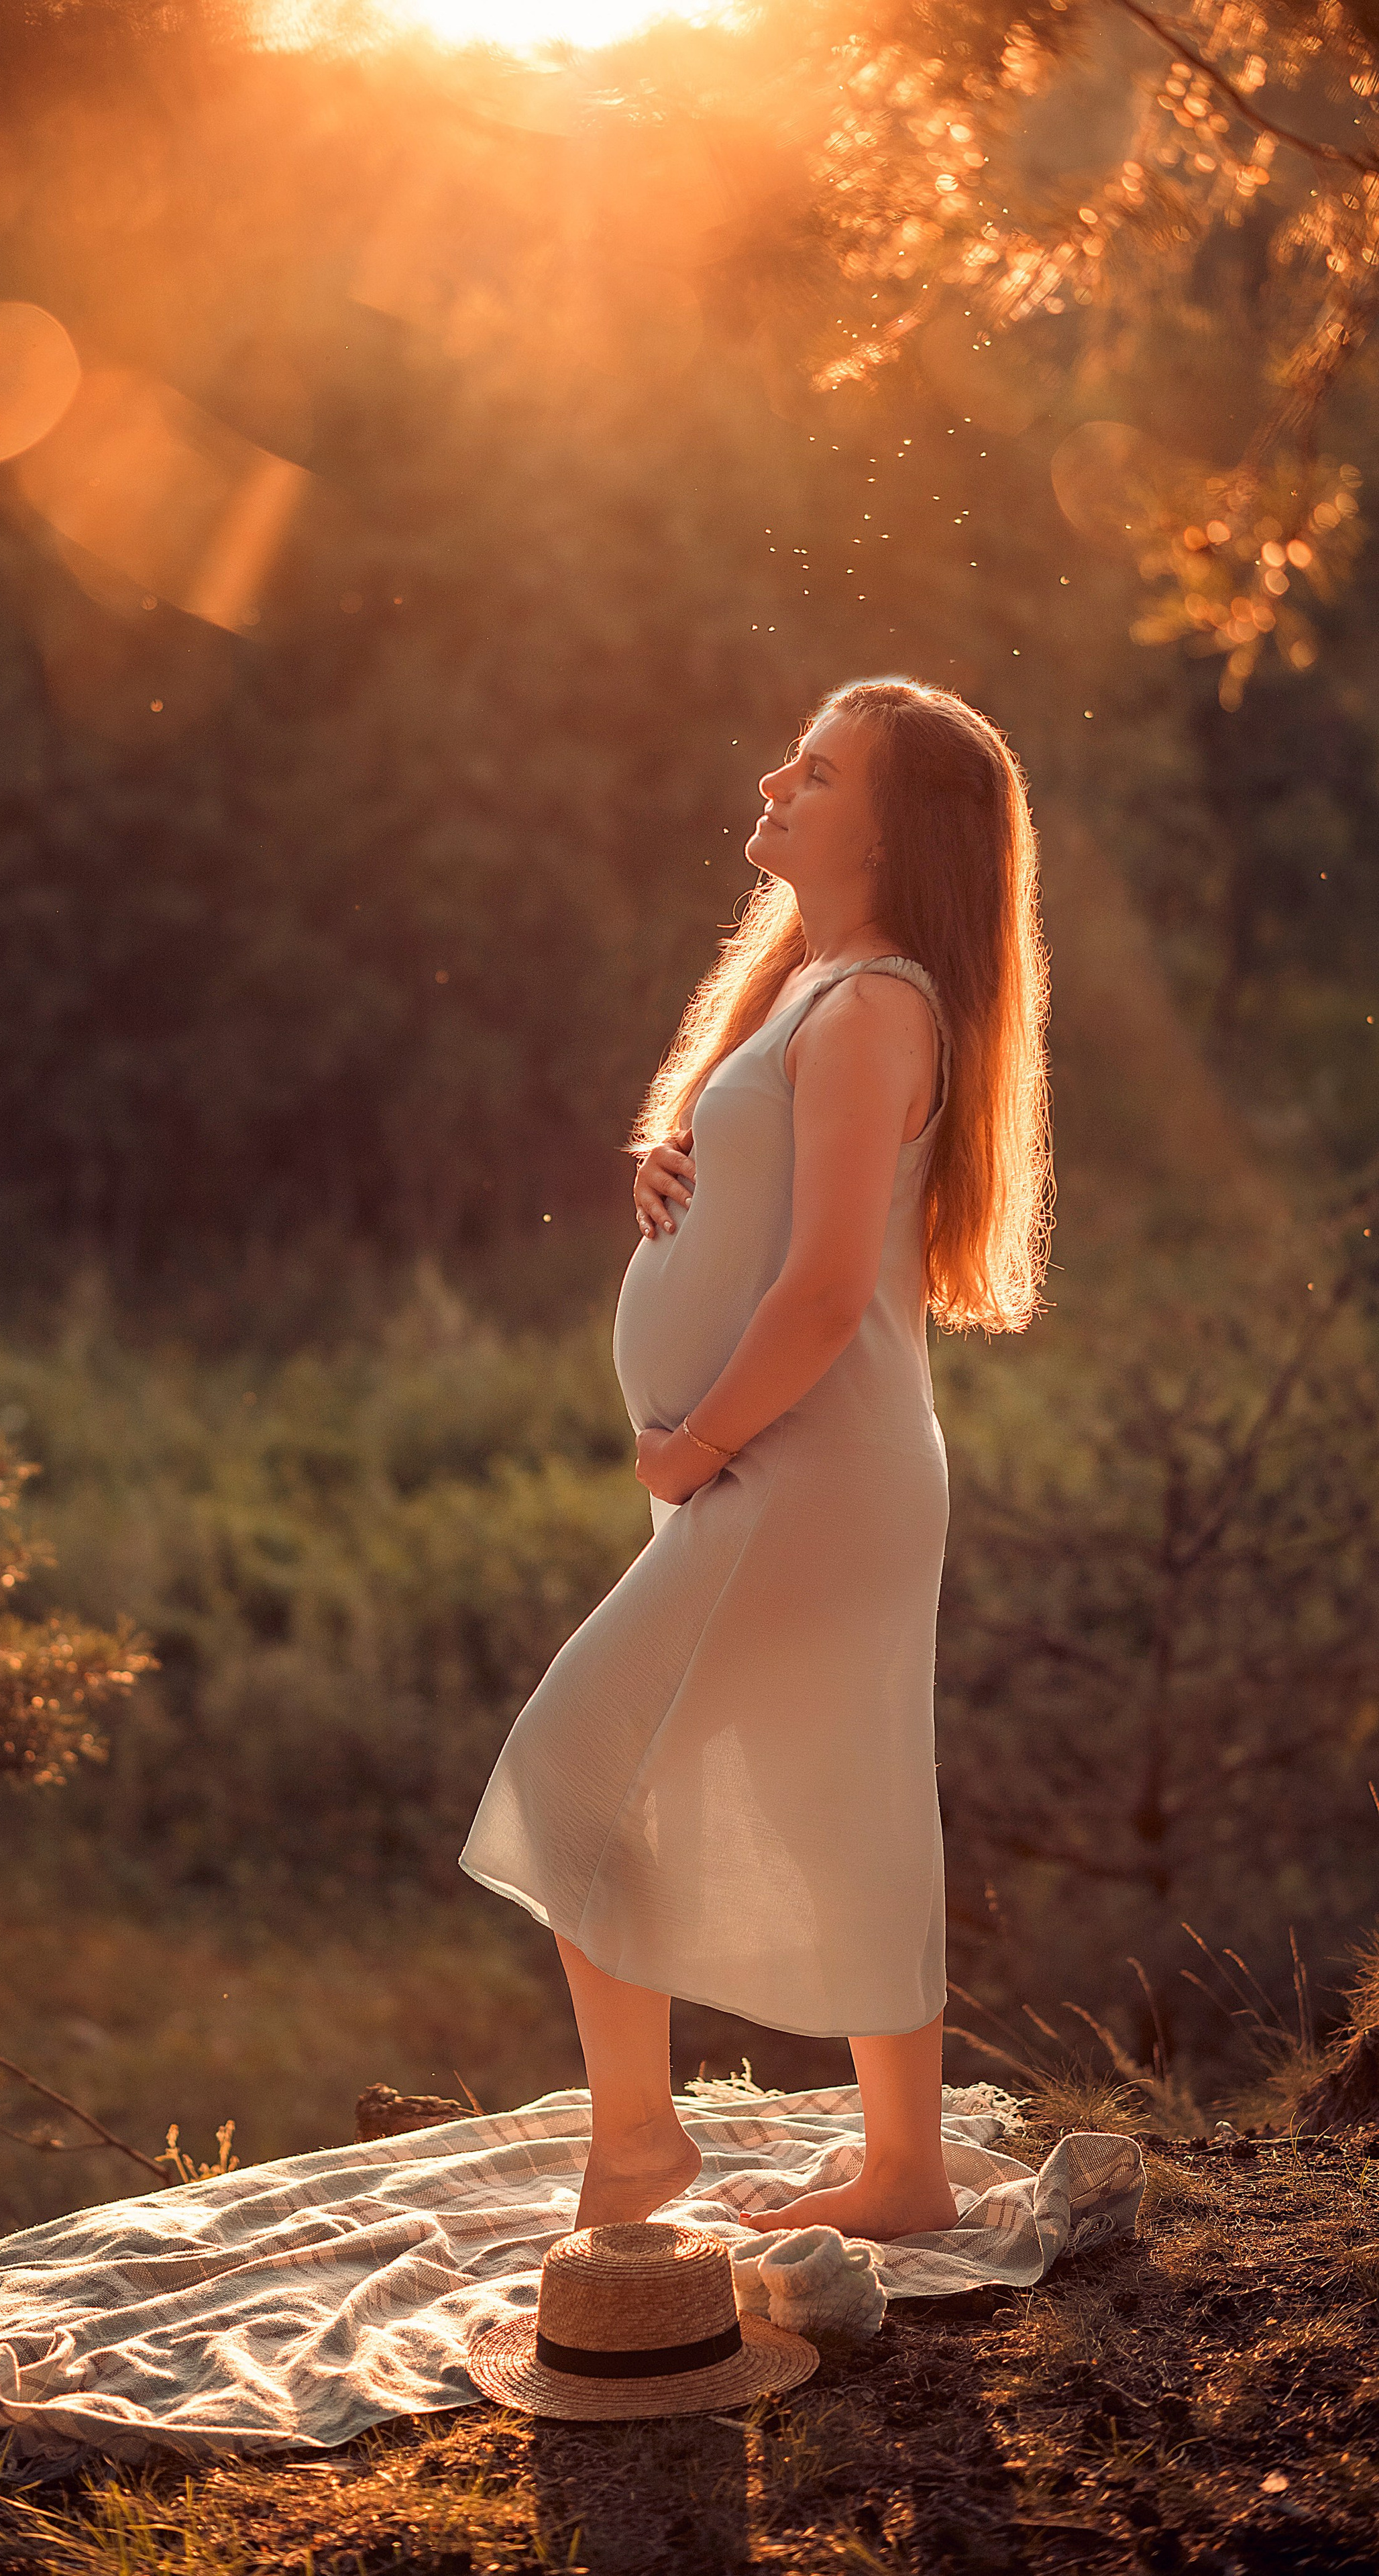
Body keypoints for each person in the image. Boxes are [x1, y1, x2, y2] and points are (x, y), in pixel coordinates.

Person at [459, 676, 1052, 2241]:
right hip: (793, 1466)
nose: (778, 782)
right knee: (832, 1800)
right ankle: (902, 2172)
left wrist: (692, 1445)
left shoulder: (872, 1008)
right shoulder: (817, 989)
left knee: (575, 1768)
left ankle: (649, 2144)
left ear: (891, 827)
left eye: (823, 771)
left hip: (801, 1465)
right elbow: (768, 1208)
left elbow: (827, 1288)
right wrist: (681, 1165)